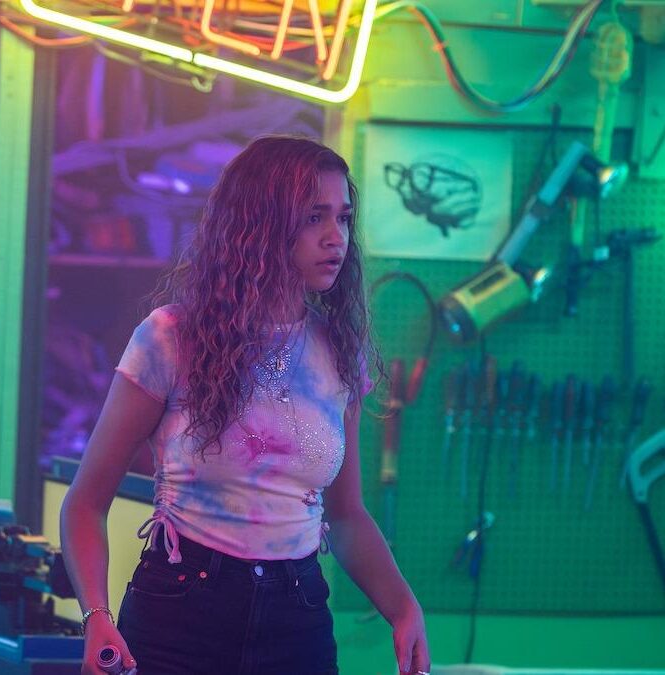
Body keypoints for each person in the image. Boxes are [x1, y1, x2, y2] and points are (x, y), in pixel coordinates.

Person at [60, 135, 431, 675]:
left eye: (344, 219)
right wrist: (96, 614)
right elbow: (86, 502)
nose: (337, 238)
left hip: (296, 612)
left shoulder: (339, 353)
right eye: (314, 218)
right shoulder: (171, 337)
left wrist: (403, 608)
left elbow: (347, 516)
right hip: (180, 611)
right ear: (261, 225)